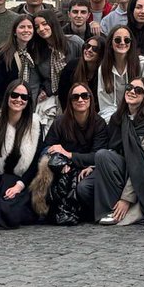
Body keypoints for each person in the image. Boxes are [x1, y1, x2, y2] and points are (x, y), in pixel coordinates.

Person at [80, 77, 144, 225]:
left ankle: (112, 212)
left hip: (137, 172)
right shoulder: (118, 118)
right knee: (84, 188)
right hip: (117, 167)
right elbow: (111, 149)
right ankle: (110, 207)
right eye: (129, 88)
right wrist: (95, 166)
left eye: (138, 90)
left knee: (102, 155)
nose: (132, 92)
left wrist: (126, 198)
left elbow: (142, 162)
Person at [36, 82, 109, 225]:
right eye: (75, 97)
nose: (80, 100)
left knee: (83, 188)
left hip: (89, 169)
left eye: (84, 96)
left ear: (90, 99)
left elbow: (97, 155)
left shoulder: (99, 124)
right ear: (70, 101)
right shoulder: (59, 122)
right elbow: (47, 149)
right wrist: (61, 162)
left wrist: (69, 155)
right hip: (63, 169)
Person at [0, 80, 43, 228]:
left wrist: (19, 186)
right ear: (7, 96)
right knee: (3, 205)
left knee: (19, 212)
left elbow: (35, 164)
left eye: (24, 97)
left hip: (22, 181)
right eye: (15, 95)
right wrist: (3, 185)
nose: (18, 100)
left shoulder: (35, 124)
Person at [0, 15, 39, 117]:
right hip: (2, 112)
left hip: (23, 110)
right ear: (14, 31)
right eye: (22, 27)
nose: (26, 30)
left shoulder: (33, 52)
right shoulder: (1, 56)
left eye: (30, 27)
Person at [32, 10, 81, 125]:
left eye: (44, 24)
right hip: (52, 97)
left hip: (76, 94)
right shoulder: (37, 51)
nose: (41, 29)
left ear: (52, 23)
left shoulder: (74, 43)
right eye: (37, 27)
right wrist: (41, 91)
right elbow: (35, 81)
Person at [97, 25, 144, 120]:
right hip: (114, 119)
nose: (122, 43)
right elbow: (105, 105)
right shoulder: (103, 68)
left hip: (141, 117)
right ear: (110, 43)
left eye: (127, 40)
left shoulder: (143, 64)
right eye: (117, 40)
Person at [58, 36, 104, 113]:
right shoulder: (72, 66)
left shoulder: (104, 72)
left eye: (95, 49)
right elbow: (63, 94)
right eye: (87, 46)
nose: (89, 50)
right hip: (72, 111)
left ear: (101, 54)